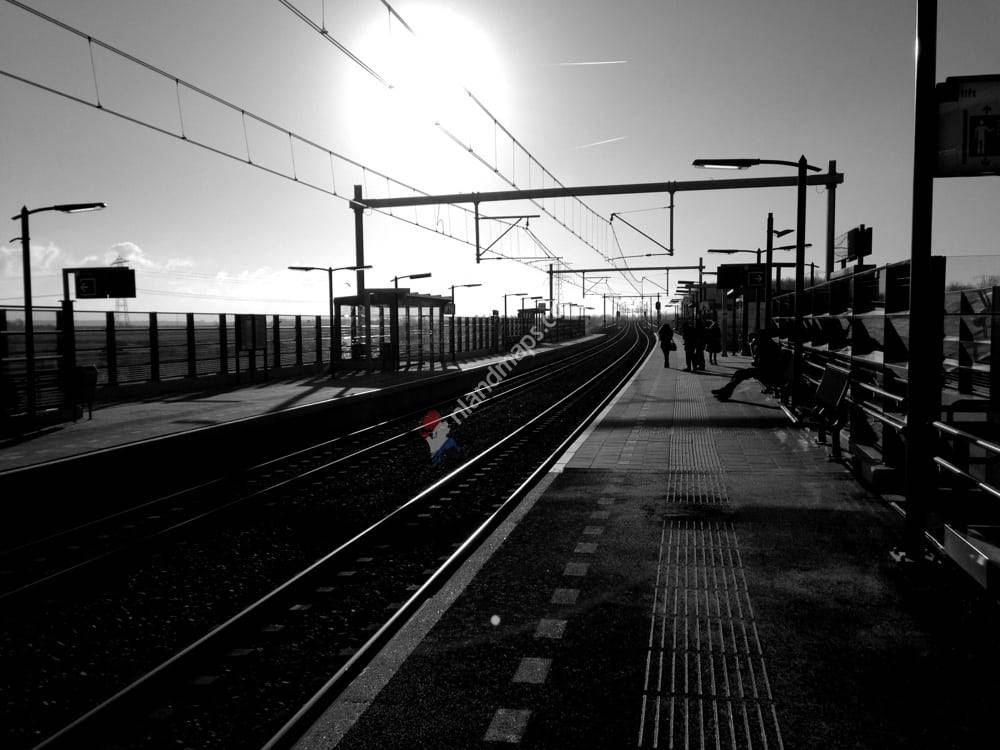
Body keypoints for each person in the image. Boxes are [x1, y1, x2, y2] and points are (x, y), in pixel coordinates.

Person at [712, 329, 787, 400]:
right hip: (766, 371)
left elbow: (760, 363)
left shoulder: (765, 346)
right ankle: (725, 391)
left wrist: (754, 351)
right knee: (739, 373)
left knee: (739, 374)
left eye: (758, 337)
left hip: (766, 373)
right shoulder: (769, 345)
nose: (757, 339)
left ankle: (725, 392)